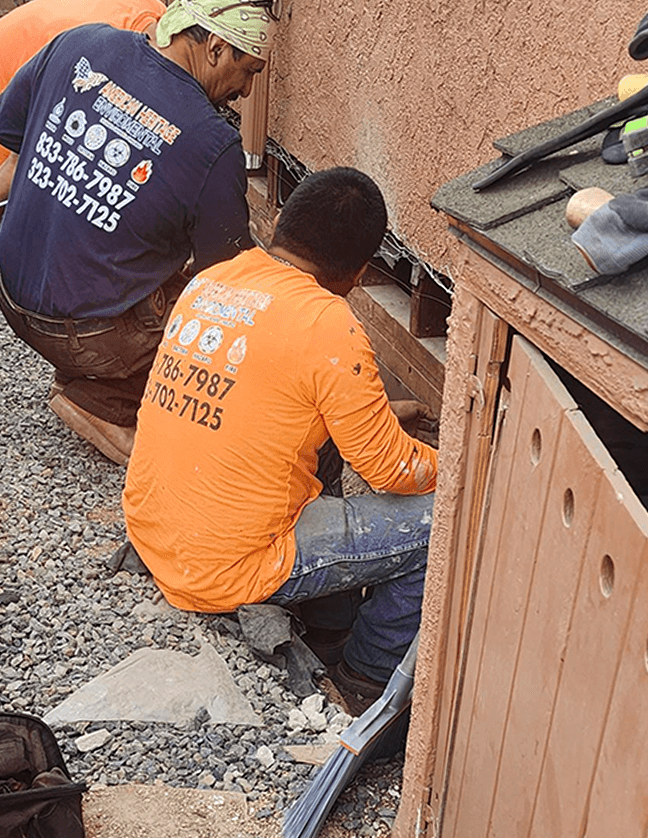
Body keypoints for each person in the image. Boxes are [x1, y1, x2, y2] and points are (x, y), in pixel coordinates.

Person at [122, 166, 439, 711]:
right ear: (360, 272)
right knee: (442, 522)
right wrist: (458, 462)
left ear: (283, 228)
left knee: (330, 442)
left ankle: (328, 624)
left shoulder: (213, 280)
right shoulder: (327, 323)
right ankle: (365, 682)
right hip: (228, 566)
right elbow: (391, 470)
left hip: (158, 532)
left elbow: (264, 394)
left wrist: (376, 413)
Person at [0, 0, 279, 464]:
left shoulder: (81, 45)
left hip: (13, 300)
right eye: (249, 71)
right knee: (233, 335)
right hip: (85, 336)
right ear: (216, 48)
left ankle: (93, 368)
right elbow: (226, 282)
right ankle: (104, 404)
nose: (245, 91)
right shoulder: (211, 141)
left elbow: (18, 148)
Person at [0, 0, 166, 219]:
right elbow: (38, 156)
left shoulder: (157, 17)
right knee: (20, 235)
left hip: (10, 77)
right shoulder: (106, 60)